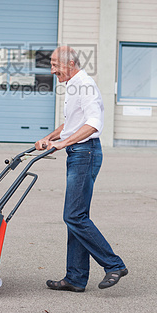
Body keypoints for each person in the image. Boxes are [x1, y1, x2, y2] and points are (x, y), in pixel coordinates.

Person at [35, 46, 128, 292]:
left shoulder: (85, 85)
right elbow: (72, 122)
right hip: (78, 152)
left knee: (74, 216)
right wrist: (50, 137)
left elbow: (93, 123)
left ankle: (114, 265)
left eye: (55, 65)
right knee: (76, 216)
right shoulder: (74, 85)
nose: (52, 69)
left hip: (85, 153)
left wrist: (63, 143)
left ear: (71, 63)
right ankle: (75, 278)